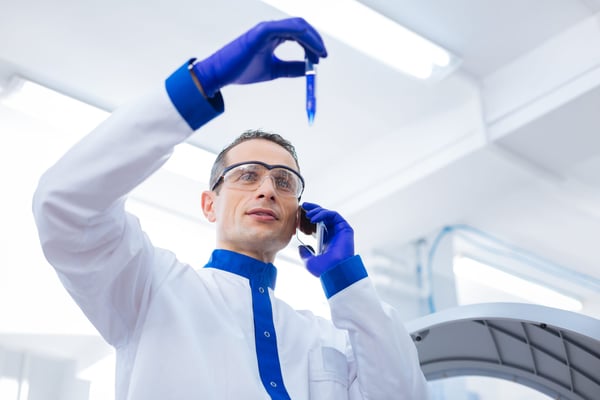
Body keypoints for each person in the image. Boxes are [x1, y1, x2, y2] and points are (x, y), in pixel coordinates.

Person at [32, 17, 429, 400]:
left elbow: (403, 394)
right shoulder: (151, 290)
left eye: (284, 182)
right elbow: (65, 203)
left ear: (298, 220)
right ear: (209, 204)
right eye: (247, 175)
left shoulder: (324, 338)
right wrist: (201, 82)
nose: (268, 190)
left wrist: (348, 284)